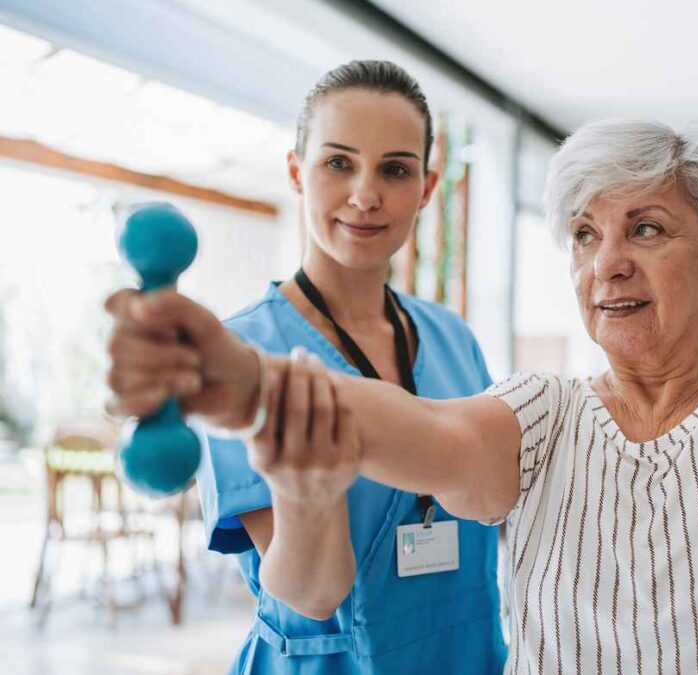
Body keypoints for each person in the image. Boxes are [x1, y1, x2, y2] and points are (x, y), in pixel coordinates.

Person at [106, 119, 698, 673]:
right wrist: (246, 379)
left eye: (647, 228)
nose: (608, 262)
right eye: (584, 235)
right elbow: (425, 433)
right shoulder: (543, 409)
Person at [107, 60, 506, 674]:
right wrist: (305, 488)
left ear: (425, 188)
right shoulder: (236, 355)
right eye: (338, 163)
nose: (365, 195)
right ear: (296, 172)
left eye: (394, 169)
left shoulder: (454, 338)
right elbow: (313, 594)